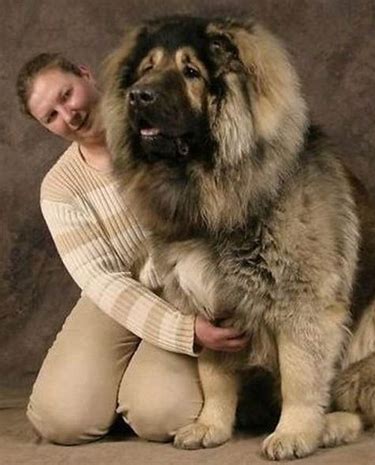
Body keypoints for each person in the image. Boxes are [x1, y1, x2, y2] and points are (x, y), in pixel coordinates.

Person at [16, 52, 249, 445]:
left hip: (189, 288)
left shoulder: (167, 131)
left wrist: (196, 318)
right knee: (61, 420)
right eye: (51, 116)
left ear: (86, 74)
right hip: (119, 294)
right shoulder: (59, 188)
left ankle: (137, 389)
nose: (68, 115)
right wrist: (183, 332)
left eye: (67, 95)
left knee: (163, 414)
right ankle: (117, 384)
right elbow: (103, 281)